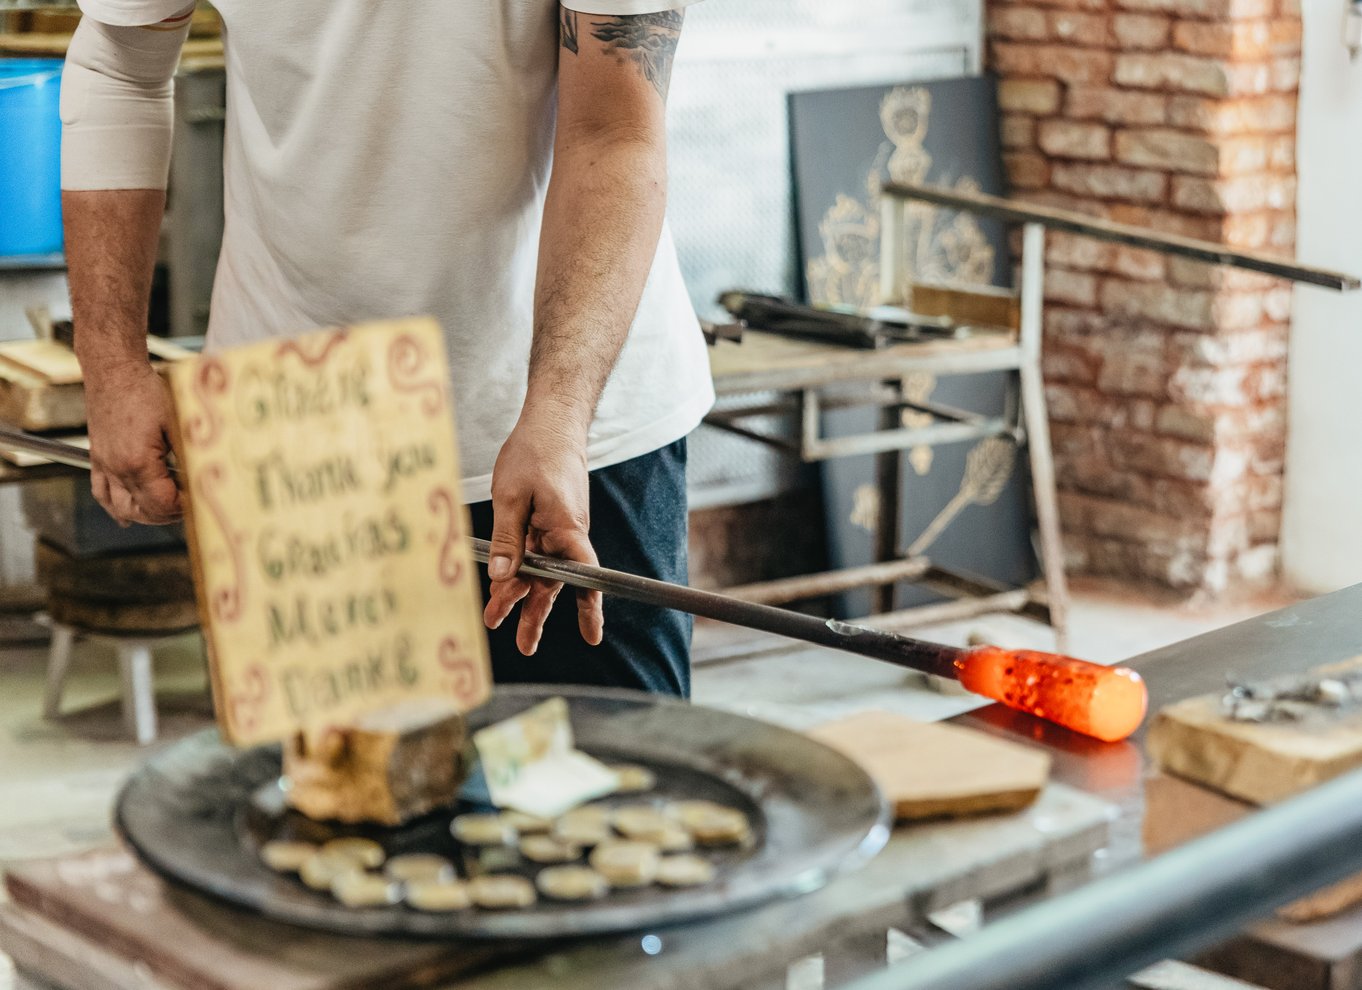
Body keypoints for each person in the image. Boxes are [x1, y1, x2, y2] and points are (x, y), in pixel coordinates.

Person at [59, 0, 714, 697]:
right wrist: (112, 367)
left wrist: (557, 414)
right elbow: (119, 63)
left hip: (569, 433)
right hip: (300, 419)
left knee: (606, 789)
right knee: (337, 792)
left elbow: (614, 128)